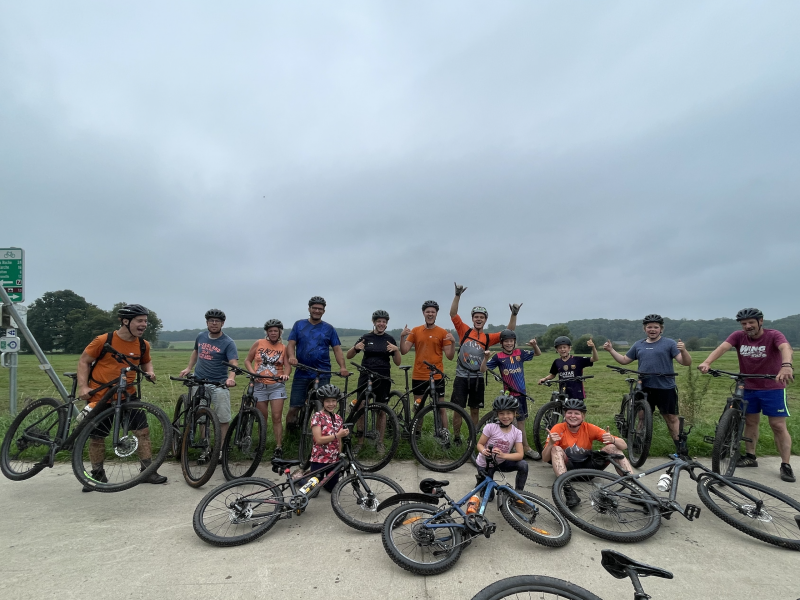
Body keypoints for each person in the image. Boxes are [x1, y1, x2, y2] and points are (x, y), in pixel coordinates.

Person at [76, 303, 167, 491]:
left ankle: (147, 470)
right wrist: (83, 386)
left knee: (142, 432)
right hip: (101, 396)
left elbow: (146, 361)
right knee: (97, 437)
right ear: (125, 321)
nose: (144, 325)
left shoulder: (143, 345)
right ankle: (97, 474)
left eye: (145, 321)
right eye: (139, 321)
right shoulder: (103, 340)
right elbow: (84, 361)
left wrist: (150, 372)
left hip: (128, 395)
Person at [698, 308, 795, 482]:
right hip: (748, 386)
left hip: (773, 387)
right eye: (744, 324)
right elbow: (722, 348)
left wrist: (786, 364)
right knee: (750, 421)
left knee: (778, 425)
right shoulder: (738, 336)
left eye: (751, 322)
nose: (747, 326)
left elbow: (785, 347)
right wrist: (707, 362)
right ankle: (750, 456)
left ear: (761, 321)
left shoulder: (774, 335)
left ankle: (785, 464)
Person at [603, 314, 691, 451]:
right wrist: (611, 350)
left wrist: (684, 350)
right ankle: (638, 444)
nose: (652, 329)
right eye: (649, 327)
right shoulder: (639, 344)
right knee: (642, 416)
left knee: (671, 418)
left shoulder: (670, 343)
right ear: (645, 329)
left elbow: (686, 362)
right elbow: (625, 360)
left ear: (661, 329)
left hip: (665, 386)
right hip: (644, 385)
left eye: (656, 327)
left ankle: (680, 447)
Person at [448, 282, 521, 431]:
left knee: (475, 410)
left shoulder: (488, 338)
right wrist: (457, 295)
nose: (479, 319)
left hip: (477, 378)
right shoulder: (465, 331)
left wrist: (513, 314)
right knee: (458, 409)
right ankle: (456, 438)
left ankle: (473, 438)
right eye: (476, 317)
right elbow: (453, 314)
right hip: (461, 377)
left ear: (485, 320)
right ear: (473, 319)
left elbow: (509, 332)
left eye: (481, 317)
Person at [541, 398, 633, 507]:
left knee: (613, 447)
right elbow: (545, 458)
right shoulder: (558, 428)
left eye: (577, 413)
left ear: (583, 416)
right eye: (569, 413)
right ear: (565, 415)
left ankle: (635, 488)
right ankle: (569, 492)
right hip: (568, 470)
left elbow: (624, 446)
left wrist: (613, 440)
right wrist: (551, 443)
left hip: (588, 469)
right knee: (555, 449)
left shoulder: (589, 428)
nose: (573, 416)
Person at [286, 296, 349, 429]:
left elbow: (337, 349)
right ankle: (290, 436)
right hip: (301, 372)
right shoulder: (299, 325)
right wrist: (292, 356)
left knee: (321, 408)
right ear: (309, 309)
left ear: (324, 311)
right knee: (294, 408)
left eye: (320, 309)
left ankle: (319, 439)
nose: (317, 311)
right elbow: (291, 344)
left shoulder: (329, 328)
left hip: (323, 373)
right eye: (314, 308)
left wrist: (342, 367)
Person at [480, 329, 542, 460]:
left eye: (511, 341)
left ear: (514, 342)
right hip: (509, 396)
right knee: (509, 422)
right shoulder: (498, 357)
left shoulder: (520, 353)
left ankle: (526, 448)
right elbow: (483, 369)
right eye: (506, 341)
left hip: (521, 394)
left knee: (521, 423)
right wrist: (485, 358)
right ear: (502, 343)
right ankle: (512, 449)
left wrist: (535, 345)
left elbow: (538, 353)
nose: (509, 343)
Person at [179, 309, 238, 440]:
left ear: (222, 323)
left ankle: (222, 449)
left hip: (218, 383)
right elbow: (196, 352)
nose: (214, 323)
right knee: (201, 417)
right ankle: (204, 447)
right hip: (200, 380)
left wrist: (231, 378)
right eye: (211, 321)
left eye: (217, 321)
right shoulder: (201, 336)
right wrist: (189, 368)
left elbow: (233, 362)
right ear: (207, 322)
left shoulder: (228, 342)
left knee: (223, 418)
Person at [245, 319, 291, 459]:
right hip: (259, 385)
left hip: (276, 385)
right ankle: (261, 445)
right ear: (267, 332)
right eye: (270, 331)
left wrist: (285, 375)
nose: (273, 333)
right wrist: (253, 373)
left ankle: (278, 447)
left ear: (279, 332)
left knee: (276, 417)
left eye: (275, 331)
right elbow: (248, 360)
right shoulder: (259, 343)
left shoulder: (283, 348)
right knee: (262, 418)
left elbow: (288, 365)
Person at [399, 300, 456, 407]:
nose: (430, 314)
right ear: (423, 313)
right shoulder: (416, 331)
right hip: (419, 375)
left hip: (437, 375)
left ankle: (442, 425)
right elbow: (404, 351)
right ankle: (416, 424)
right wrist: (402, 337)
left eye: (433, 312)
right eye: (428, 312)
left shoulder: (442, 332)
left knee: (441, 407)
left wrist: (453, 343)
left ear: (436, 314)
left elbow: (450, 356)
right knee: (418, 408)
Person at [475, 395, 528, 494]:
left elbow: (520, 455)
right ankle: (481, 480)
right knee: (488, 496)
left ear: (514, 414)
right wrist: (483, 451)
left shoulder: (517, 432)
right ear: (497, 415)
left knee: (523, 465)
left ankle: (519, 493)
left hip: (501, 462)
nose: (505, 416)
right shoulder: (490, 427)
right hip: (486, 463)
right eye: (501, 413)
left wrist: (503, 455)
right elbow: (480, 444)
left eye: (509, 413)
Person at [308, 384, 350, 492]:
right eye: (327, 401)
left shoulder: (338, 418)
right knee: (313, 491)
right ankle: (300, 478)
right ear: (322, 402)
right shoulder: (317, 416)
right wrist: (338, 435)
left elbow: (339, 440)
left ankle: (322, 479)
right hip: (319, 459)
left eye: (333, 401)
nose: (331, 404)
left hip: (333, 460)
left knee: (332, 489)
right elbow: (319, 440)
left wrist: (340, 454)